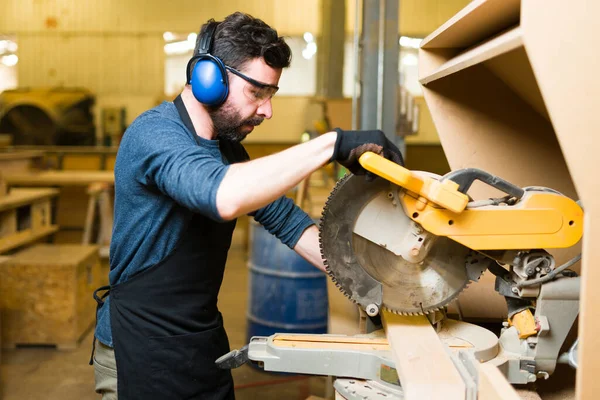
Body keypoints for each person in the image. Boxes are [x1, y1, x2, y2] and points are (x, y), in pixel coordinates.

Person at [91, 11, 403, 400]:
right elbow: (221, 195)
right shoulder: (154, 134)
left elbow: (288, 222)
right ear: (209, 79)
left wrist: (383, 277)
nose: (267, 110)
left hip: (200, 344)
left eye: (270, 95)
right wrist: (331, 144)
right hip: (138, 349)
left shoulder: (228, 151)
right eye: (257, 93)